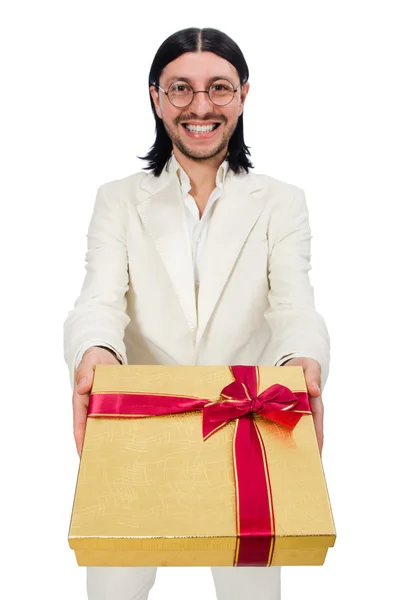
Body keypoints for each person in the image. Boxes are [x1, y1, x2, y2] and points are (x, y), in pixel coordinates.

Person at [63, 26, 330, 600]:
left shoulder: (282, 203)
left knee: (251, 593)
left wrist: (303, 363)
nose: (200, 106)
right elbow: (99, 300)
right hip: (138, 428)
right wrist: (95, 353)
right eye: (181, 89)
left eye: (219, 89)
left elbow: (294, 306)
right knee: (115, 587)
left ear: (243, 97)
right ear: (156, 97)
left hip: (246, 431)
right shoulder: (117, 200)